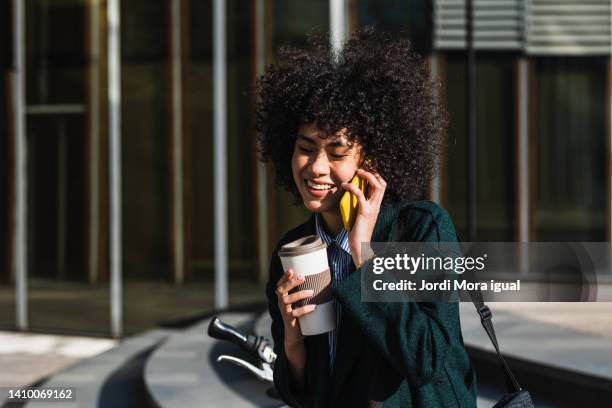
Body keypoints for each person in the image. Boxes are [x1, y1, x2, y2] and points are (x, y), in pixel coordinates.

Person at [255, 28, 477, 408]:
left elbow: (426, 359)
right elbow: (305, 393)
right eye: (305, 149)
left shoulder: (421, 229)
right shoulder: (292, 250)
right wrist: (292, 340)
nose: (317, 168)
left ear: (370, 159)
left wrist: (363, 255)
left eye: (337, 153)